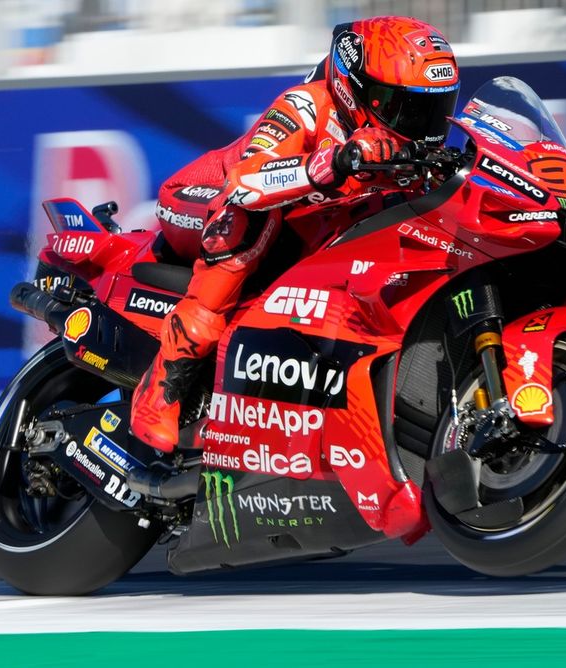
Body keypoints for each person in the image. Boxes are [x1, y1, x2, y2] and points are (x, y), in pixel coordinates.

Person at [131, 15, 461, 452]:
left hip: (305, 233)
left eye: (435, 108)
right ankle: (162, 388)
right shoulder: (308, 105)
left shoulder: (417, 147)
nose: (422, 125)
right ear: (355, 88)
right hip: (200, 199)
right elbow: (245, 181)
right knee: (247, 224)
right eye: (406, 107)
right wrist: (330, 163)